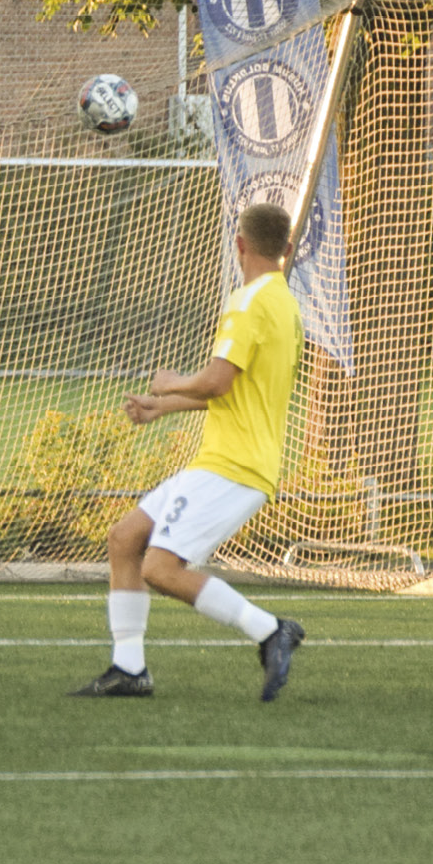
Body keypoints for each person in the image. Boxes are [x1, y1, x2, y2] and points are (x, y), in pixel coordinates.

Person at [69, 201, 306, 702]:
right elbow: (239, 392)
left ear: (239, 244)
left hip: (232, 467)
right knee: (125, 538)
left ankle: (270, 630)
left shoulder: (247, 302)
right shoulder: (285, 304)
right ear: (286, 249)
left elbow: (218, 382)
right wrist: (164, 405)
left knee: (159, 569)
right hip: (232, 462)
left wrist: (174, 380)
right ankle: (129, 669)